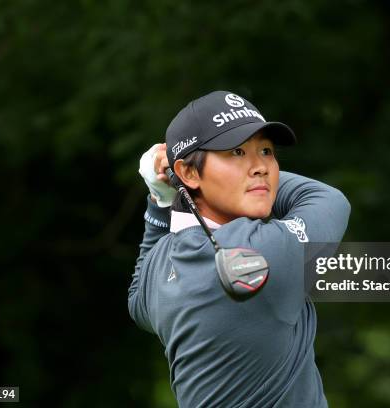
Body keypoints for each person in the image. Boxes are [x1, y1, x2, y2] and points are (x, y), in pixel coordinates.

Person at [128, 91, 351, 407]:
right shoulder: (264, 250)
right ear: (190, 173)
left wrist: (162, 198)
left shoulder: (162, 268)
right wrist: (182, 183)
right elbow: (328, 200)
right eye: (236, 152)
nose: (260, 167)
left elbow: (137, 300)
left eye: (265, 151)